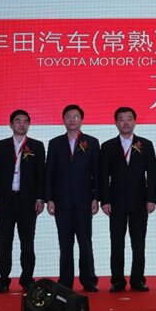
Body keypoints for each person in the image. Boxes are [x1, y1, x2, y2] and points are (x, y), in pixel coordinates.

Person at [100, 107, 156, 293]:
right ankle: (117, 280)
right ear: (116, 123)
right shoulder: (107, 146)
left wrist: (151, 199)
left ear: (135, 122)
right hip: (115, 202)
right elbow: (103, 176)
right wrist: (105, 200)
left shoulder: (146, 144)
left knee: (138, 243)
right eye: (121, 119)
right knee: (116, 242)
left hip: (140, 201)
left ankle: (138, 279)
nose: (125, 122)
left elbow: (152, 174)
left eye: (129, 119)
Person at [0, 109, 45, 293]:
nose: (22, 124)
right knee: (4, 242)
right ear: (11, 124)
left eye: (25, 121)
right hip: (5, 201)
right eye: (18, 121)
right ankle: (3, 280)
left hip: (27, 201)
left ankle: (27, 279)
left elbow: (41, 175)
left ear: (29, 124)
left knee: (27, 243)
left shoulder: (36, 146)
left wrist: (40, 198)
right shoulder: (0, 146)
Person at [45, 104, 100, 292]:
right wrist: (49, 199)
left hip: (84, 201)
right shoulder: (55, 143)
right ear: (63, 120)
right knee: (65, 244)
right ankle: (65, 281)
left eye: (76, 116)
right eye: (68, 116)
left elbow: (97, 173)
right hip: (62, 202)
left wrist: (96, 197)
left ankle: (89, 280)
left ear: (82, 120)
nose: (72, 120)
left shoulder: (92, 142)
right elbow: (49, 172)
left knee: (85, 243)